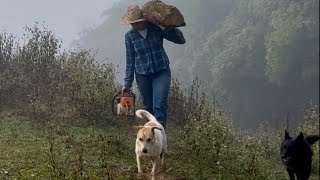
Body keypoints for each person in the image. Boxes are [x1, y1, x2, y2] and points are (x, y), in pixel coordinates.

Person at [120, 5, 186, 128]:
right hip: (142, 75)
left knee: (159, 103)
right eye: (132, 23)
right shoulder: (129, 37)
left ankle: (159, 133)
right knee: (148, 106)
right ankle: (150, 136)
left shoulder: (156, 28)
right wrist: (127, 84)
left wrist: (167, 27)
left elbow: (180, 40)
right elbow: (130, 60)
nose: (135, 25)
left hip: (161, 71)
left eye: (138, 22)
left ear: (143, 19)